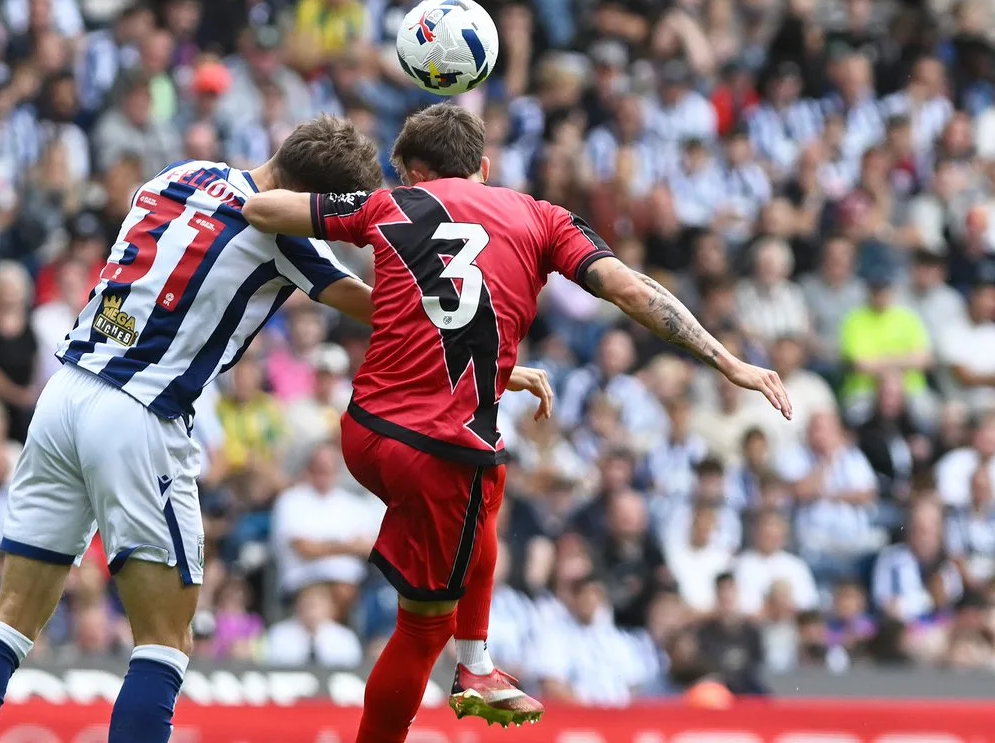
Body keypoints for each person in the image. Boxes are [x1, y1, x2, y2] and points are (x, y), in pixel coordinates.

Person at [243, 103, 791, 739]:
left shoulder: (388, 204)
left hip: (365, 429)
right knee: (422, 629)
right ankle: (464, 671)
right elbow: (633, 290)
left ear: (412, 170)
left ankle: (478, 661)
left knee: (492, 477)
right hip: (438, 450)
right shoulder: (541, 217)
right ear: (484, 166)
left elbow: (263, 210)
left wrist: (363, 198)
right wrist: (727, 361)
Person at [0, 117, 381, 743]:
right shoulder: (283, 232)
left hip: (64, 392)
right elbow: (372, 305)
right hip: (138, 412)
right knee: (165, 641)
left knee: (10, 620)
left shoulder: (180, 174)